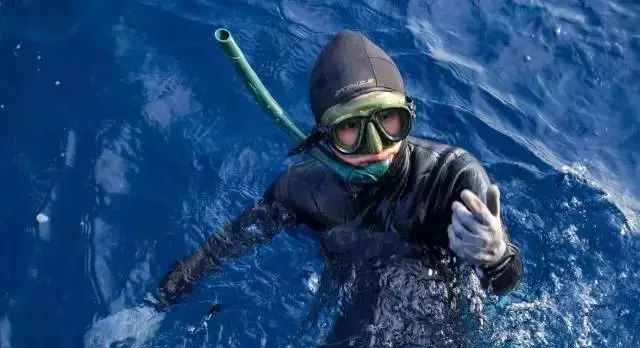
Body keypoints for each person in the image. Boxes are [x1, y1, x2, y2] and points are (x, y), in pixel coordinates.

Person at [155, 30, 522, 307]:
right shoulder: (299, 190)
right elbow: (225, 246)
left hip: (435, 324)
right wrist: (156, 304)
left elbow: (503, 286)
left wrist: (496, 257)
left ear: (407, 114)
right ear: (324, 136)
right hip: (353, 315)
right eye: (351, 129)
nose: (376, 145)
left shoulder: (452, 177)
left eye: (388, 120)